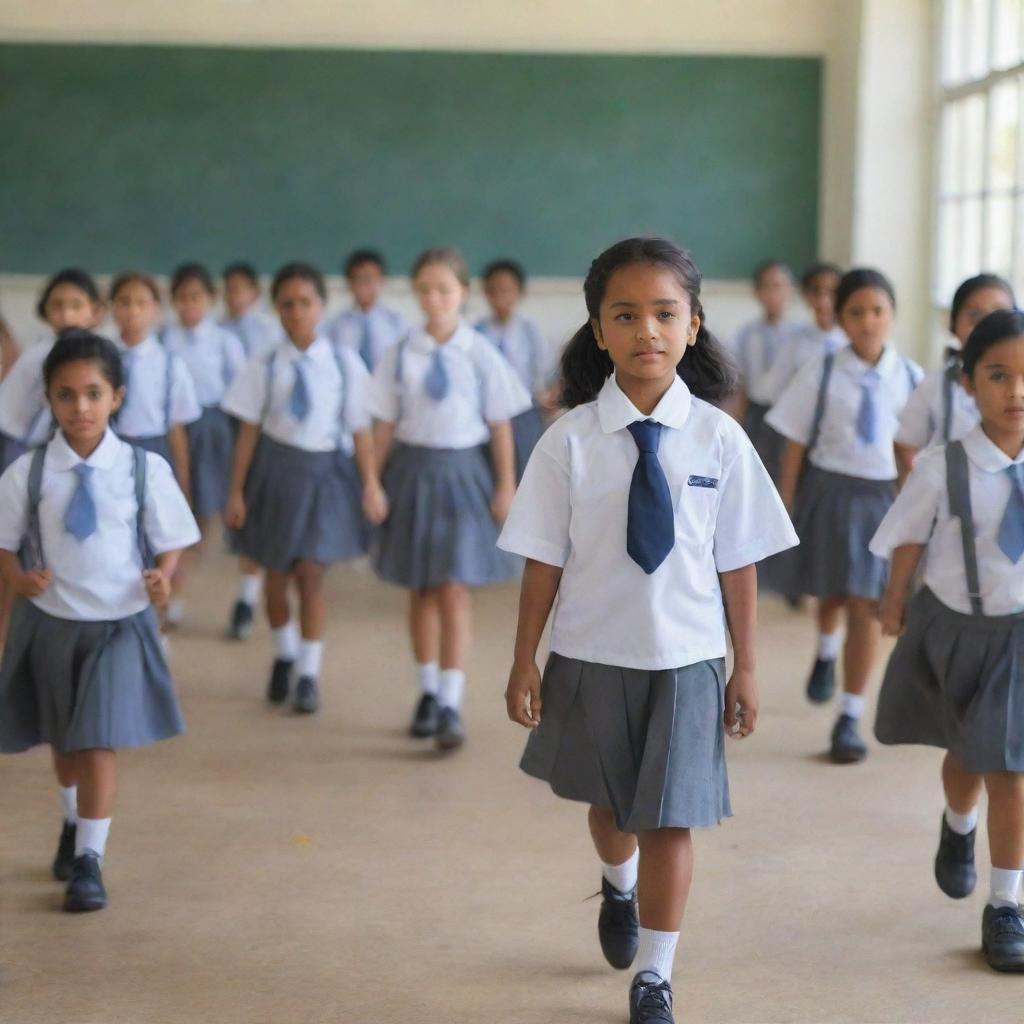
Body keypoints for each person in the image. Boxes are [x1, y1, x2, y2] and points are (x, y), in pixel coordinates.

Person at [500, 237, 797, 1024]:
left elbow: (738, 562)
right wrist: (523, 661)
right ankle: (618, 886)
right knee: (611, 809)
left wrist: (748, 666)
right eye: (624, 316)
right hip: (593, 654)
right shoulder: (568, 442)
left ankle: (656, 976)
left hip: (689, 659)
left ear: (694, 324)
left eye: (665, 314)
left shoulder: (719, 439)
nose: (646, 332)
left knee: (671, 818)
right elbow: (540, 561)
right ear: (598, 331)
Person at [0, 330, 198, 912]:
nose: (80, 407)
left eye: (93, 393)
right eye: (66, 395)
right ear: (48, 400)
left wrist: (163, 573)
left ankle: (90, 860)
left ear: (117, 397)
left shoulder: (143, 468)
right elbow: (4, 542)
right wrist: (15, 578)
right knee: (63, 739)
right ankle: (71, 820)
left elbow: (174, 539)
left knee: (95, 739)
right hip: (52, 623)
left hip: (118, 623)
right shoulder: (28, 474)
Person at [871, 308, 1024, 972]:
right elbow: (908, 535)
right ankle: (957, 825)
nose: (1016, 391)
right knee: (967, 760)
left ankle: (1006, 906)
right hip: (959, 631)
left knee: (1011, 773)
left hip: (1020, 638)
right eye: (998, 375)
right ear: (968, 384)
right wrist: (893, 601)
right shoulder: (942, 465)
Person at [368, 247, 530, 751]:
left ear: (463, 293)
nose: (434, 299)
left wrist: (506, 485)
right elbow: (385, 424)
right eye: (425, 289)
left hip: (463, 474)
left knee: (454, 588)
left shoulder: (479, 351)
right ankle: (428, 690)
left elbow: (501, 423)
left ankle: (452, 703)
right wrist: (371, 480)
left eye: (444, 289)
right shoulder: (400, 352)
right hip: (412, 472)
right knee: (421, 588)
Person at [767, 268, 922, 762]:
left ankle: (850, 716)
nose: (868, 321)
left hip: (882, 500)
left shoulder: (912, 378)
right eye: (856, 312)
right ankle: (825, 652)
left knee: (865, 605)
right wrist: (785, 503)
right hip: (829, 492)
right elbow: (793, 440)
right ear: (841, 318)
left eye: (878, 311)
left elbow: (912, 453)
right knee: (831, 593)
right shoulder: (823, 369)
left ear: (892, 315)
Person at [223, 262, 385, 713]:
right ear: (276, 309)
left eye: (306, 303)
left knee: (311, 575)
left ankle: (309, 673)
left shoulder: (343, 362)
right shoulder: (265, 363)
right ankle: (284, 653)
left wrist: (370, 483)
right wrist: (236, 491)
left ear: (321, 306)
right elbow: (249, 432)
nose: (297, 312)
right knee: (277, 574)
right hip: (275, 474)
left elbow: (360, 430)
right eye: (287, 304)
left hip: (325, 475)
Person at [161, 262, 246, 627]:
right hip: (171, 428)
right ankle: (167, 582)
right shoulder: (165, 338)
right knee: (170, 503)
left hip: (212, 427)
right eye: (181, 297)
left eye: (196, 297)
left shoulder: (225, 341)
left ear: (211, 299)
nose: (188, 305)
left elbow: (240, 394)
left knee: (201, 509)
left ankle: (177, 586)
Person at [895, 273, 1015, 472]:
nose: (985, 326)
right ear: (953, 323)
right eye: (974, 315)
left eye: (998, 314)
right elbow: (906, 445)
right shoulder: (933, 386)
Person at [108, 271, 199, 495]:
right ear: (112, 307)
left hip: (155, 449)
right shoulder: (100, 358)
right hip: (109, 447)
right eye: (124, 302)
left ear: (156, 309)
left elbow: (176, 427)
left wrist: (183, 483)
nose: (133, 310)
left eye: (142, 302)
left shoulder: (170, 364)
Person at [475, 258, 552, 481]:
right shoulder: (476, 333)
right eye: (493, 290)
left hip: (523, 412)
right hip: (485, 414)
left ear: (519, 292)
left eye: (506, 290)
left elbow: (545, 371)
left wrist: (547, 394)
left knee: (525, 472)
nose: (500, 296)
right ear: (486, 294)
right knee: (488, 473)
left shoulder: (530, 331)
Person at [322, 248, 407, 372]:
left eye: (369, 279)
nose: (363, 286)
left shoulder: (396, 322)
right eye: (357, 279)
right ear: (349, 283)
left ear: (381, 280)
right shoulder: (336, 326)